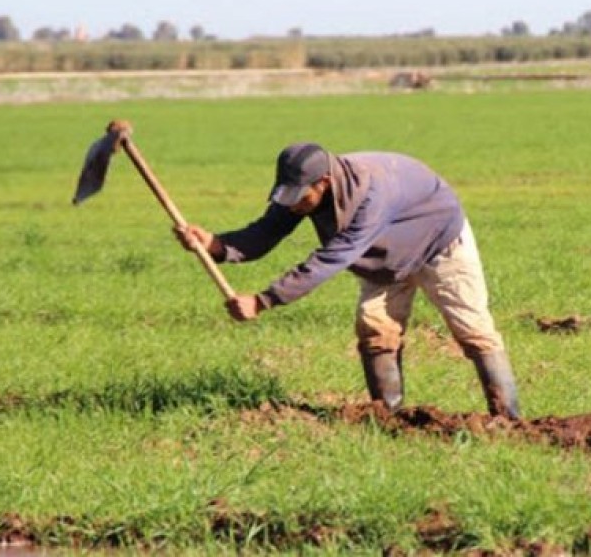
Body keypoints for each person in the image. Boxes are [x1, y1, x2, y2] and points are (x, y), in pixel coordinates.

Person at [174, 143, 520, 418]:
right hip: (383, 258)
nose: (293, 205)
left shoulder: (370, 191)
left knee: (472, 329)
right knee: (375, 329)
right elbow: (265, 233)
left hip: (438, 243)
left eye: (300, 198)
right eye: (288, 197)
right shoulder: (299, 192)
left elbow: (332, 257)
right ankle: (387, 417)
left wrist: (265, 300)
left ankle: (509, 419)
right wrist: (215, 244)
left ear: (322, 184)